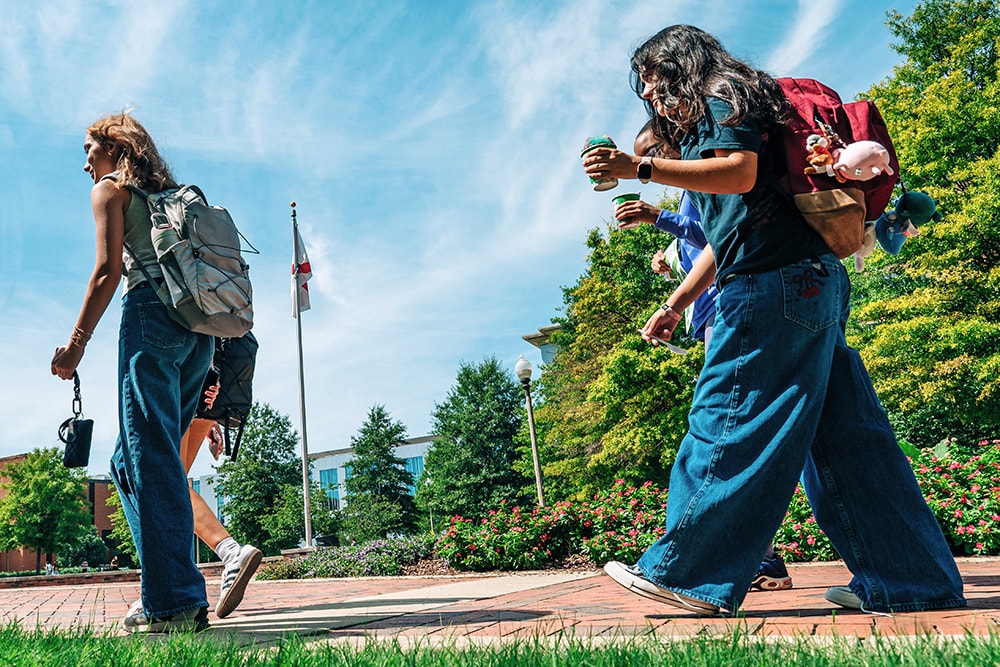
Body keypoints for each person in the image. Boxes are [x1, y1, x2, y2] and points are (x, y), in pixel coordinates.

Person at [583, 24, 965, 616]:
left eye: (658, 83)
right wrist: (676, 305)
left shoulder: (718, 91)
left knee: (727, 415)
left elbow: (736, 171)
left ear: (683, 65)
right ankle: (911, 580)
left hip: (773, 287)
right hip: (807, 279)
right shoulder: (749, 98)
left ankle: (689, 573)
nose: (655, 99)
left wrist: (642, 169)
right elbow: (727, 233)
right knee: (847, 440)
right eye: (647, 92)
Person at [51, 112, 214, 633]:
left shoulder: (110, 190)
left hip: (151, 318)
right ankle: (168, 589)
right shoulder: (167, 195)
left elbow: (108, 270)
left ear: (112, 147)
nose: (85, 164)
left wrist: (75, 346)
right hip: (200, 332)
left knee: (152, 456)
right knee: (129, 461)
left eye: (89, 149)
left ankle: (175, 603)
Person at [615, 123, 792, 592]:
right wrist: (670, 255)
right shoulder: (695, 178)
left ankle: (691, 568)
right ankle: (766, 558)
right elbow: (708, 236)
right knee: (814, 433)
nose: (649, 158)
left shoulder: (705, 163)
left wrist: (658, 217)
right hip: (746, 296)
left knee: (720, 424)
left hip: (736, 299)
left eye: (652, 149)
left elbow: (722, 229)